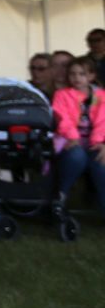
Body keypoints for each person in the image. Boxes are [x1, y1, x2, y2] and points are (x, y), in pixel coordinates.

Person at [52, 56, 105, 217]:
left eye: (81, 74)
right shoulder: (62, 94)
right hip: (69, 140)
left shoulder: (101, 96)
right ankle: (61, 196)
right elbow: (62, 118)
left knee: (101, 161)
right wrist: (72, 137)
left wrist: (100, 142)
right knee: (77, 156)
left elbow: (103, 121)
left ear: (91, 76)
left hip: (95, 141)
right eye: (72, 74)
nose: (76, 78)